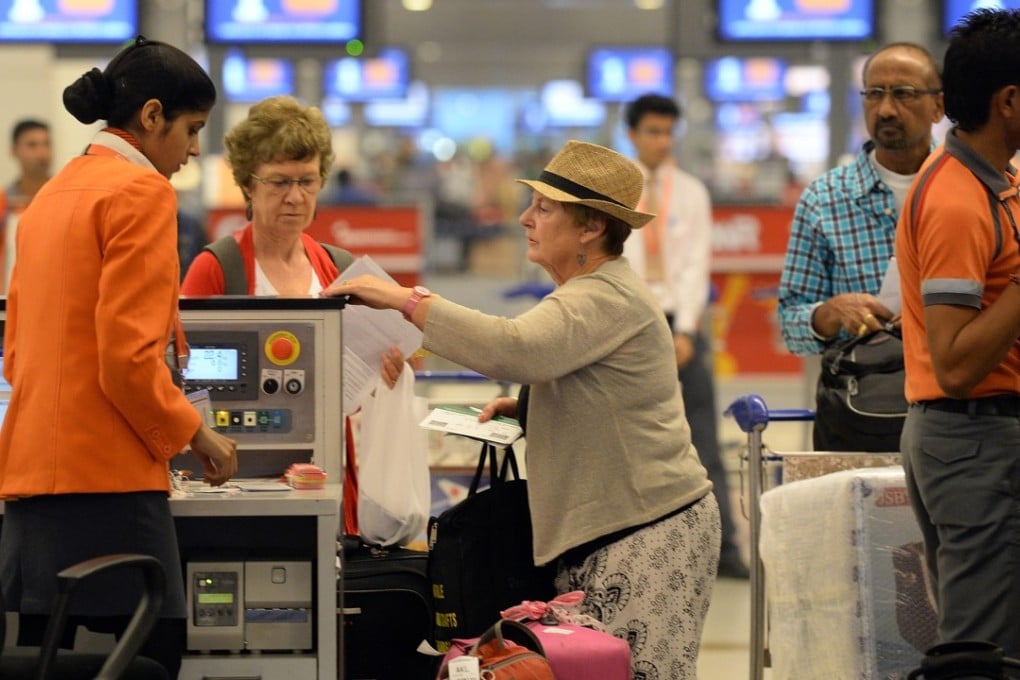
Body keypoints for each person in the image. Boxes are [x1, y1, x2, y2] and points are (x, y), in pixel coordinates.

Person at [324, 139, 722, 678]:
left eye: (544, 208)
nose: (525, 218)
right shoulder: (590, 292)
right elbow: (580, 376)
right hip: (615, 531)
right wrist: (534, 408)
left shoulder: (606, 296)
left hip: (646, 530)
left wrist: (407, 301)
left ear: (590, 228)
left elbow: (519, 347)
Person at [0, 36, 238, 679]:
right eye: (191, 130)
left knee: (47, 666)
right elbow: (128, 361)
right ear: (153, 116)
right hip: (107, 486)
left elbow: (16, 352)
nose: (194, 150)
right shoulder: (140, 193)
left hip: (31, 488)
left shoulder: (48, 198)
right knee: (154, 664)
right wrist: (194, 433)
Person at [896, 8, 1020, 659]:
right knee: (980, 648)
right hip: (970, 435)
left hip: (983, 436)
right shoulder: (955, 201)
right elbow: (954, 362)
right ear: (1008, 101)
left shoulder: (996, 183)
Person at [777, 42, 944, 449]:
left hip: (951, 412)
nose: (886, 109)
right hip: (859, 413)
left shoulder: (964, 191)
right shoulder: (825, 198)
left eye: (903, 94)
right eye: (874, 93)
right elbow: (790, 322)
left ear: (939, 106)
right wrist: (831, 313)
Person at [622, 92, 747, 579]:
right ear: (632, 135)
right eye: (652, 132)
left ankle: (724, 551)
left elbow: (697, 265)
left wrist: (689, 330)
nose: (661, 141)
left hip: (682, 323)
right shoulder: (615, 189)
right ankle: (640, 553)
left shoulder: (691, 191)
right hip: (631, 322)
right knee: (629, 436)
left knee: (702, 437)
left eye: (668, 132)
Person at [5, 118, 52, 213]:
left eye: (46, 144)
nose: (42, 153)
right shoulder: (4, 202)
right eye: (32, 145)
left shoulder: (65, 193)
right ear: (14, 150)